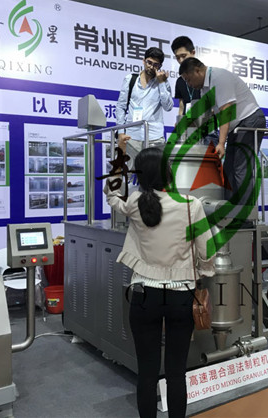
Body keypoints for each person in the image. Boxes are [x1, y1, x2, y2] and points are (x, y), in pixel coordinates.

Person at [103, 140, 215, 418]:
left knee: (147, 372)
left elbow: (112, 193)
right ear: (168, 172)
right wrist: (204, 272)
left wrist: (120, 156)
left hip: (144, 295)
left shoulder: (134, 203)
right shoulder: (191, 205)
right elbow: (207, 250)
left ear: (139, 176)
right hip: (181, 296)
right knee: (176, 373)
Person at [179, 57, 266, 202]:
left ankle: (246, 212)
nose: (189, 85)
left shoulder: (219, 77)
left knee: (241, 168)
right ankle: (229, 210)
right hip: (236, 126)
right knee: (229, 170)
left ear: (197, 71)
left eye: (188, 80)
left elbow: (226, 111)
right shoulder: (205, 88)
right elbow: (206, 115)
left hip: (249, 120)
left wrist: (221, 143)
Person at [115, 47, 173, 161]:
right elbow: (121, 107)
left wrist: (161, 83)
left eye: (155, 65)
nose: (151, 67)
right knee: (131, 171)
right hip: (132, 136)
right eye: (149, 62)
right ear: (143, 61)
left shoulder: (163, 82)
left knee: (155, 171)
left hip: (154, 137)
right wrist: (121, 132)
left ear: (160, 66)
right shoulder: (130, 79)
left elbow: (168, 107)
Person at [170, 36, 218, 146]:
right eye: (177, 58)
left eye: (183, 56)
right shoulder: (180, 81)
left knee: (209, 156)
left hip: (207, 127)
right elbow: (181, 105)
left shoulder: (206, 74)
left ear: (193, 52)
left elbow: (216, 103)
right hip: (188, 129)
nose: (181, 60)